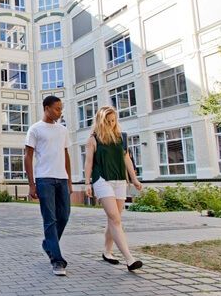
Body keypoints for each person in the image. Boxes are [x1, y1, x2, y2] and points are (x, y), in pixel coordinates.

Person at [83, 106, 143, 272]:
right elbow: (88, 162)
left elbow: (127, 159)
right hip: (102, 180)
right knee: (115, 219)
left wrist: (134, 178)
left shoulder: (120, 137)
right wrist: (87, 183)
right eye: (108, 121)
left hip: (119, 181)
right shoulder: (93, 139)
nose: (111, 123)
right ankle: (129, 259)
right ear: (101, 121)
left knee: (114, 219)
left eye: (113, 120)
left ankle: (107, 252)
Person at [24, 95, 73, 276]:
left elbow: (66, 155)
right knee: (50, 220)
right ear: (46, 108)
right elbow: (28, 157)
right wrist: (32, 184)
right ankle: (57, 261)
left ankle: (48, 244)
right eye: (57, 109)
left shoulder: (63, 130)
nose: (60, 112)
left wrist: (69, 180)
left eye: (61, 109)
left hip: (61, 179)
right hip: (44, 180)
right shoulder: (35, 129)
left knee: (65, 216)